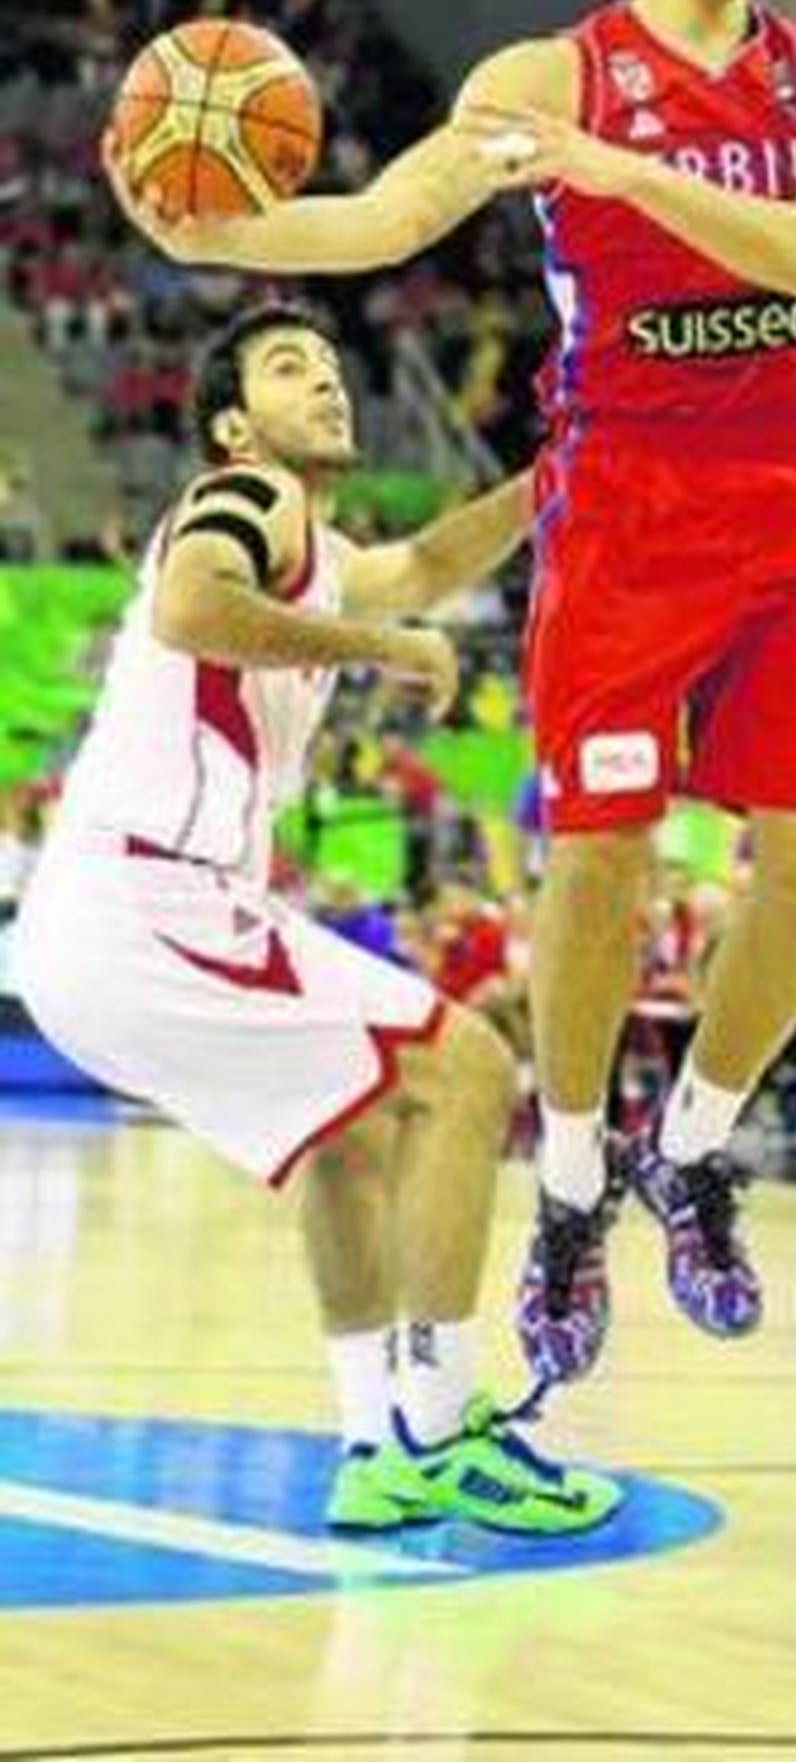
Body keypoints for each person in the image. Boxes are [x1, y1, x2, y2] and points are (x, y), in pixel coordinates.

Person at [109, 0, 796, 1391]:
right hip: (625, 499)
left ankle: (696, 1147)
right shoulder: (547, 79)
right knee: (601, 859)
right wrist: (222, 234)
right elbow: (387, 216)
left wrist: (618, 171)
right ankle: (571, 1182)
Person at [11, 302, 620, 1540]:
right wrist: (383, 649)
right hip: (148, 897)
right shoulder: (248, 493)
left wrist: (563, 471)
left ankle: (376, 1446)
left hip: (110, 920)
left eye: (334, 365)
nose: (328, 382)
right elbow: (194, 607)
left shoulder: (318, 546)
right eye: (290, 368)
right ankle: (440, 1431)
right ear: (236, 426)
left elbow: (430, 563)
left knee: (351, 1133)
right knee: (469, 1068)